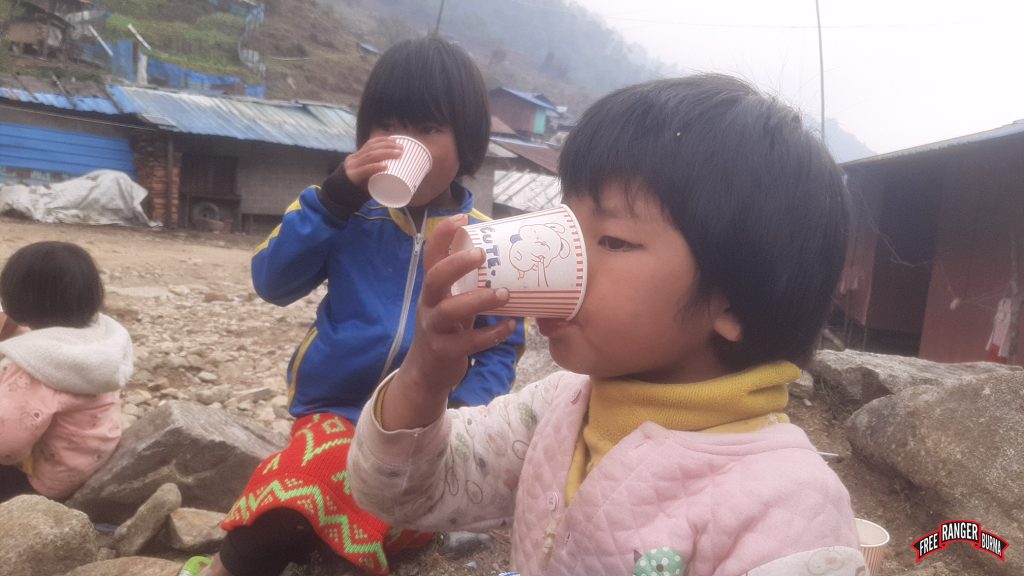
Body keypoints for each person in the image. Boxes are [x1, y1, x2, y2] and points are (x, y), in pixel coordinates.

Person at [346, 74, 867, 576]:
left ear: (733, 305)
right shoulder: (556, 409)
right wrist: (425, 375)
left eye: (613, 241)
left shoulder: (787, 513)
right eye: (566, 226)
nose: (562, 257)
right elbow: (403, 492)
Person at [180, 36, 525, 576]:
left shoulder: (489, 243)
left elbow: (501, 347)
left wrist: (462, 415)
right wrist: (336, 198)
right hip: (332, 414)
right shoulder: (338, 211)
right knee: (307, 482)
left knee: (372, 507)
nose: (401, 143)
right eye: (386, 126)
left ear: (468, 143)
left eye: (428, 128)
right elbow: (272, 283)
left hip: (426, 430)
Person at [0, 241, 132, 503]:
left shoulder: (36, 368)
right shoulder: (99, 340)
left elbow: (7, 445)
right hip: (84, 459)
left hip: (43, 480)